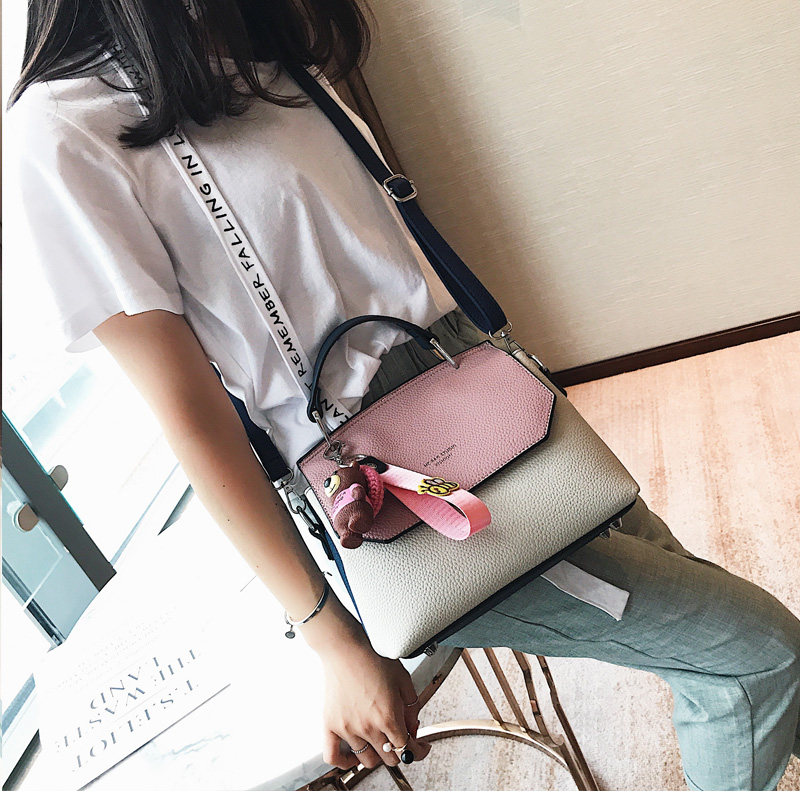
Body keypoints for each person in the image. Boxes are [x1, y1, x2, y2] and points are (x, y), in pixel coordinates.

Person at [5, 0, 799, 789]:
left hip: (481, 388)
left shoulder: (248, 39)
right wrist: (333, 641)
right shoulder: (65, 129)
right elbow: (193, 419)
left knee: (696, 608)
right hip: (404, 487)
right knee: (752, 656)